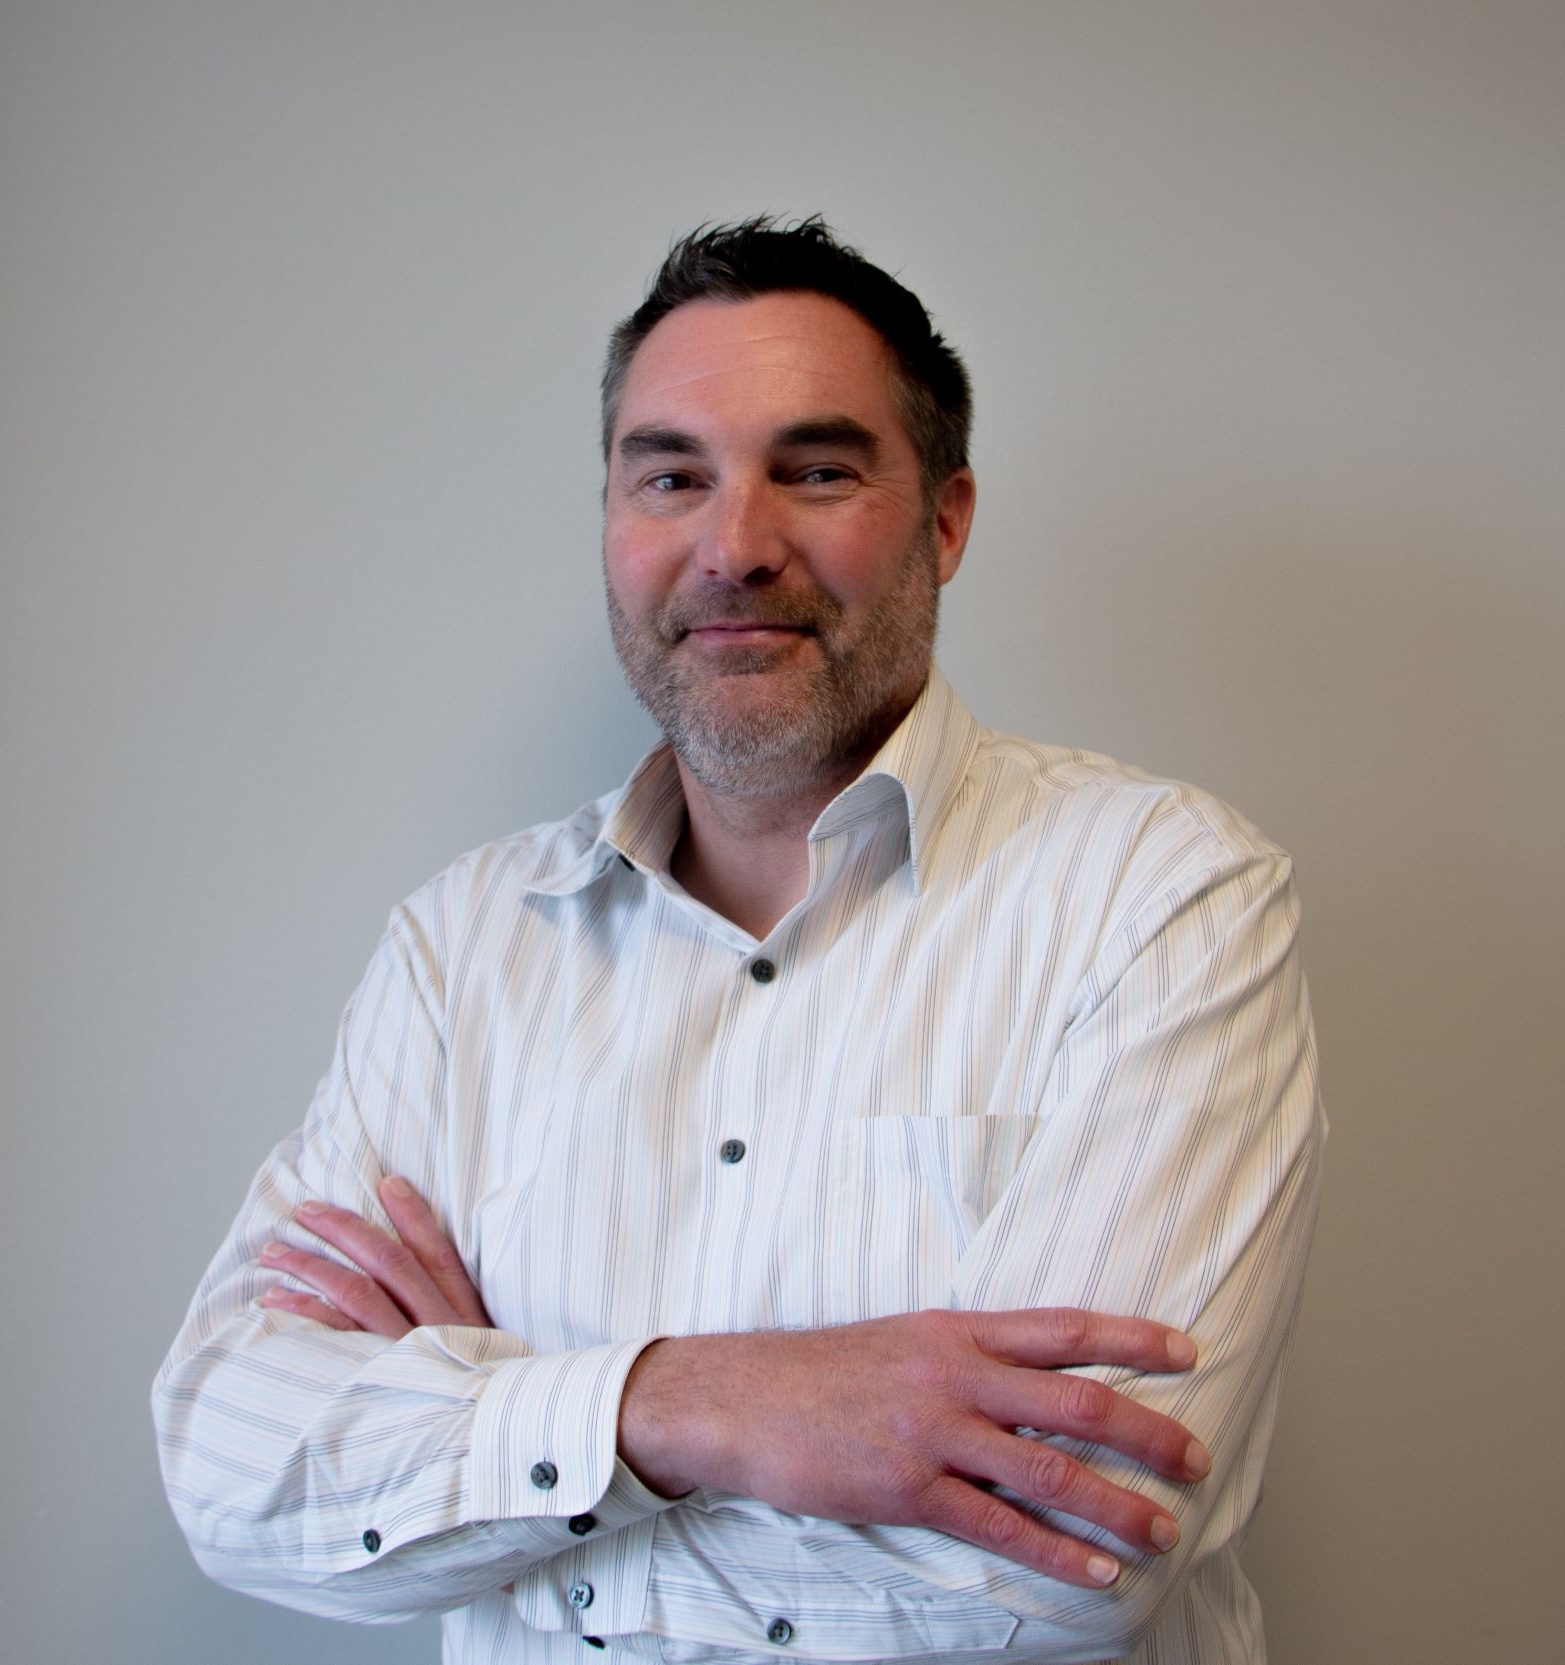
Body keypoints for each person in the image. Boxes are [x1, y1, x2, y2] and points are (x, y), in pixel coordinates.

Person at [154, 218, 1323, 1664]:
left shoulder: (1161, 897)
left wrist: (500, 1439)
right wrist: (694, 1404)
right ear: (610, 516)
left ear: (945, 519)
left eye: (816, 471)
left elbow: (1068, 1561)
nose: (735, 545)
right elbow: (232, 1467)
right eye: (672, 477)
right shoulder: (462, 947)